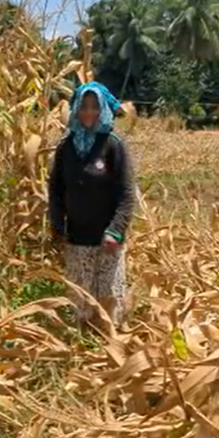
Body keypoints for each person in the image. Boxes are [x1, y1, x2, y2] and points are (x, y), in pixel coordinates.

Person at [48, 81, 136, 329]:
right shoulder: (66, 147)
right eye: (83, 107)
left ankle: (109, 350)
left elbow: (127, 194)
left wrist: (115, 230)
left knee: (108, 305)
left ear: (103, 110)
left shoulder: (112, 145)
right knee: (81, 304)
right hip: (77, 240)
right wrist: (57, 226)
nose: (88, 112)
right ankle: (82, 354)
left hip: (108, 241)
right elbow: (56, 189)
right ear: (75, 109)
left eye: (94, 107)